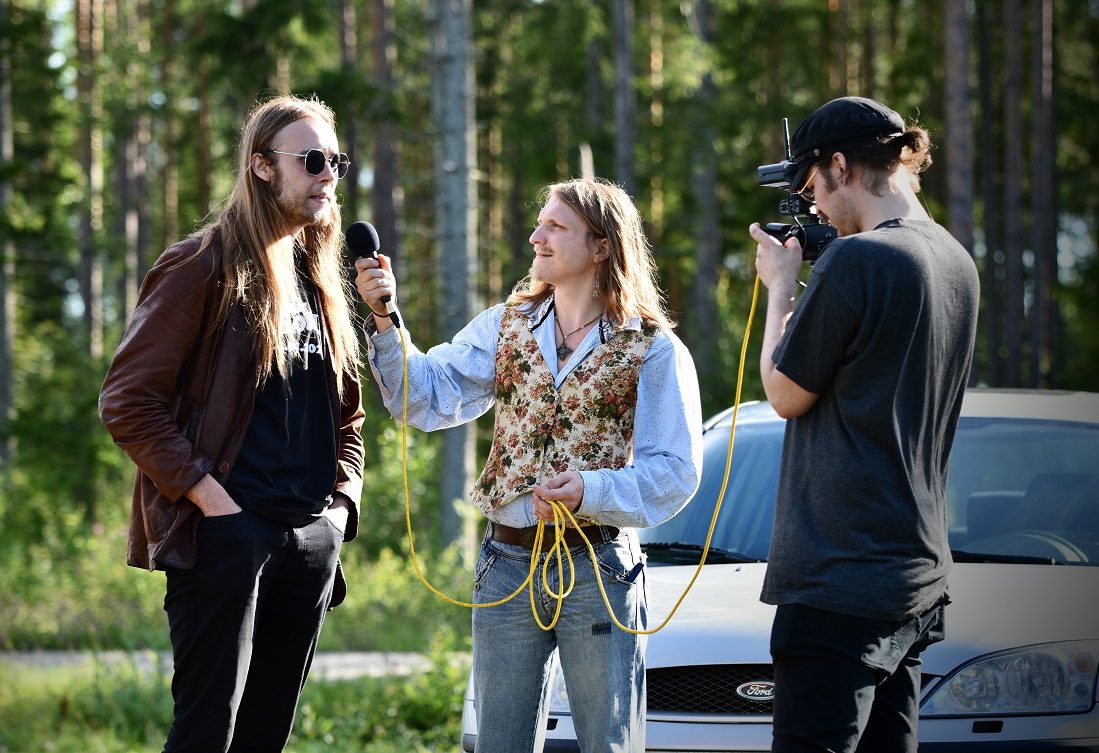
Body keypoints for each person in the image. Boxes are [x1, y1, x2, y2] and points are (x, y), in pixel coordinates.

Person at [355, 177, 703, 753]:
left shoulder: (654, 347)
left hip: (598, 568)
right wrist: (386, 320)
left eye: (556, 226)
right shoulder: (505, 325)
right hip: (507, 565)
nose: (536, 236)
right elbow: (425, 395)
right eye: (540, 222)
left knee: (607, 746)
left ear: (601, 246)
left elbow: (675, 472)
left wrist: (589, 490)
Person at [99, 94, 365, 752]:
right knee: (205, 737)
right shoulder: (202, 265)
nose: (327, 173)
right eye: (311, 159)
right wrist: (212, 501)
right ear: (262, 167)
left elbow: (349, 416)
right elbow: (128, 400)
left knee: (263, 737)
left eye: (335, 159)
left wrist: (339, 509)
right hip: (227, 539)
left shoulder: (320, 279)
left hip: (309, 540)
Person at [748, 96, 980, 753]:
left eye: (810, 186)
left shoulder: (858, 262)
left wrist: (781, 288)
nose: (812, 206)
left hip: (835, 578)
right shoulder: (954, 260)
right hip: (912, 573)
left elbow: (783, 392)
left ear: (840, 165)